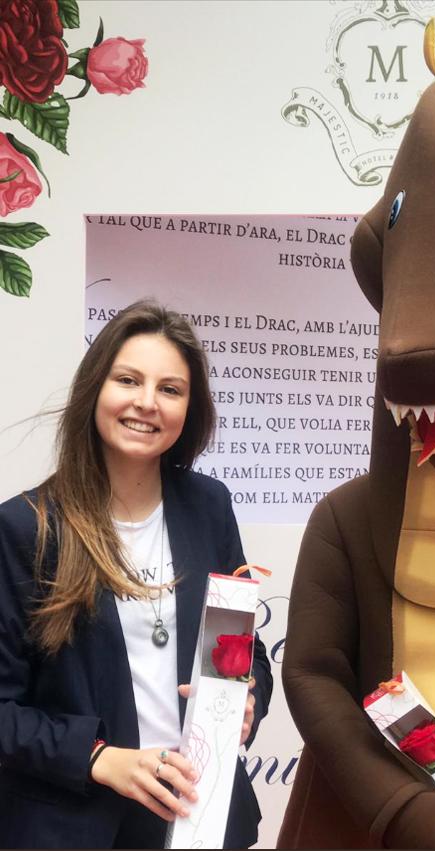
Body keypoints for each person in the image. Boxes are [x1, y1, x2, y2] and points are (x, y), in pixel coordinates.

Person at [0, 300, 272, 849]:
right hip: (77, 826)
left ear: (189, 409)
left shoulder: (209, 505)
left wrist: (248, 700)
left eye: (170, 389)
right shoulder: (25, 528)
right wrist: (101, 759)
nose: (146, 403)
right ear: (95, 389)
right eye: (129, 380)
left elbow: (244, 648)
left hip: (203, 817)